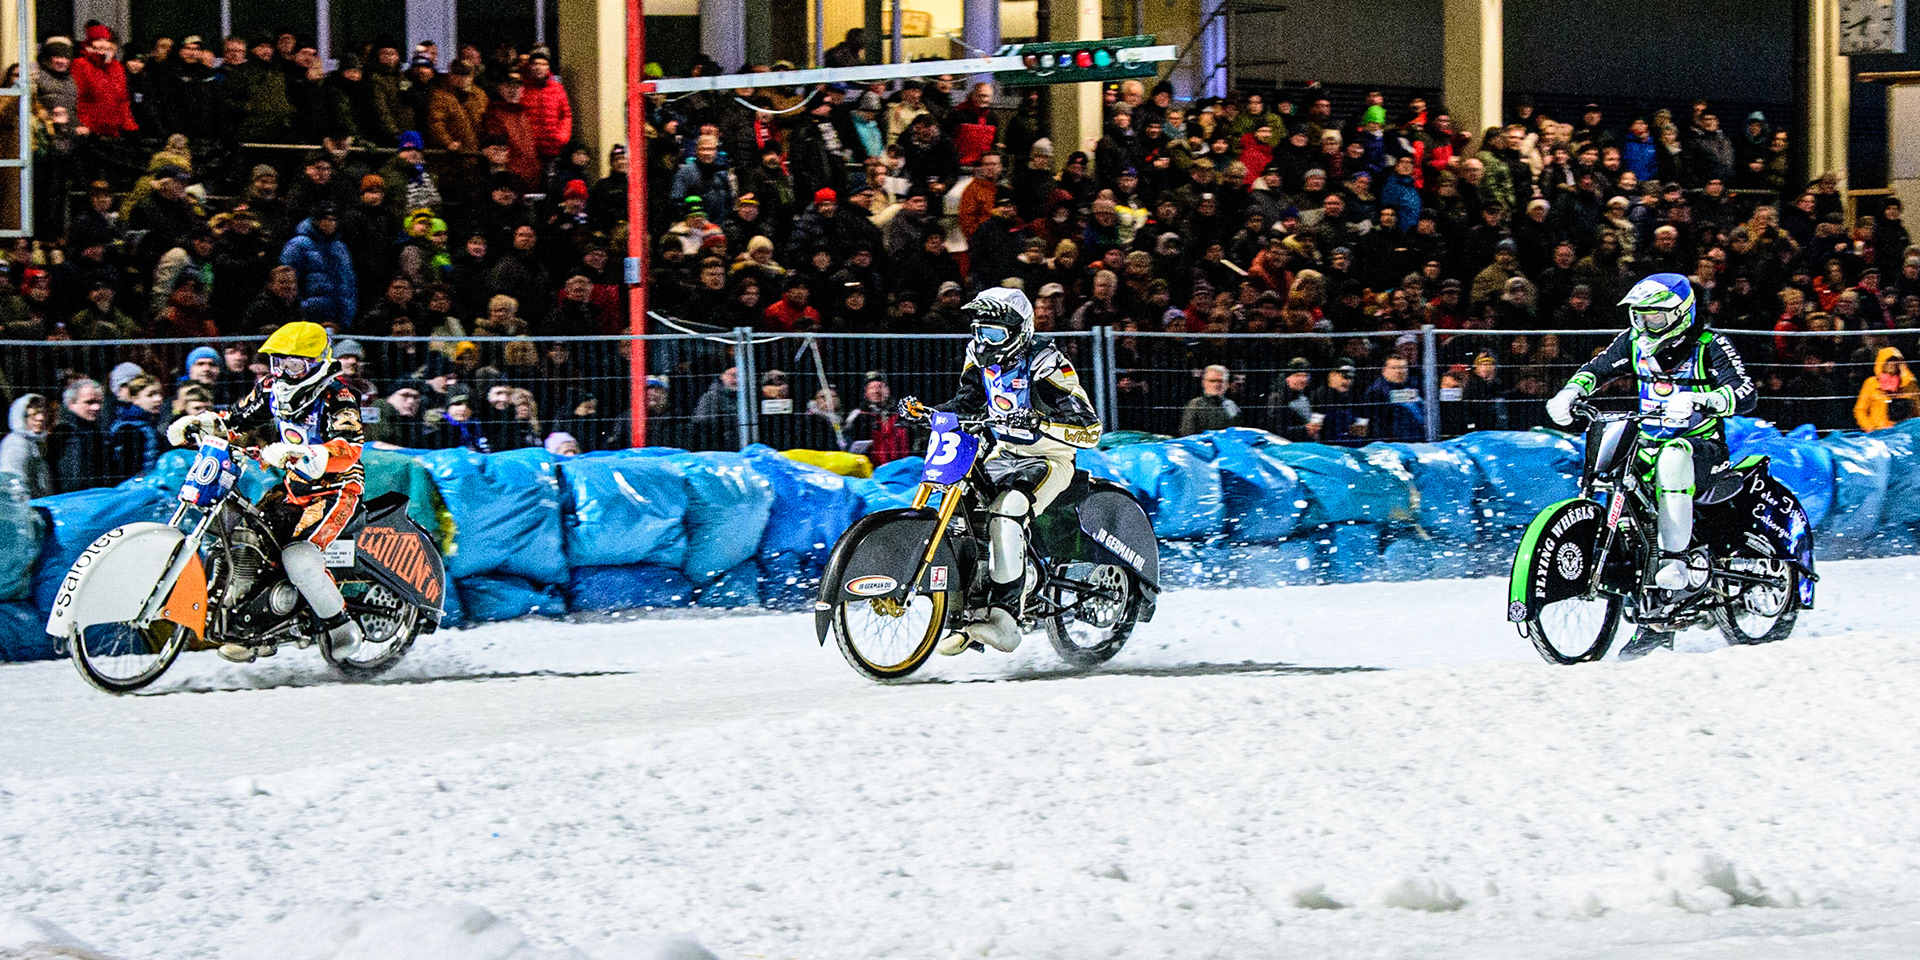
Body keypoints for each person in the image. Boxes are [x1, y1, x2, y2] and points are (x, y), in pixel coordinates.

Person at [1545, 273, 1756, 658]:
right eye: (1639, 316)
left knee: (1674, 456)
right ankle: (1653, 615)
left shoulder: (1710, 344)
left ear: (1680, 314)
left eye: (1654, 317)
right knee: (1616, 472)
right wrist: (1571, 391)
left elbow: (1745, 391)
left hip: (1702, 447)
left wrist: (1704, 400)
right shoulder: (1633, 342)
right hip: (1647, 443)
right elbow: (1600, 367)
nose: (1645, 324)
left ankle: (1675, 561)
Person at [166, 322, 367, 662]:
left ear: (316, 362)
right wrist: (199, 422)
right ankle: (256, 629)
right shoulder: (271, 389)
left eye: (293, 364)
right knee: (249, 538)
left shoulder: (339, 396)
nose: (283, 373)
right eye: (278, 363)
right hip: (294, 485)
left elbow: (349, 447)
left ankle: (340, 626)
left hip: (336, 489)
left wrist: (304, 453)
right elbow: (236, 419)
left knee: (298, 557)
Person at [925, 287, 1100, 655]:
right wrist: (930, 412)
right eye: (979, 331)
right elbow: (968, 402)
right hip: (1004, 452)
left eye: (993, 333)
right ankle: (966, 610)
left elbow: (1089, 427)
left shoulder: (1047, 363)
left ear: (1019, 331)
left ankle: (1005, 620)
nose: (983, 342)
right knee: (958, 508)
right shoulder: (978, 356)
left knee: (1009, 509)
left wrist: (1040, 421)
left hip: (1049, 457)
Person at [49, 378, 110, 492]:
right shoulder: (66, 433)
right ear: (71, 403)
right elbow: (73, 480)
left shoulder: (92, 429)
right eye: (89, 402)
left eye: (99, 402)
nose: (96, 407)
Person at [1, 393, 54, 498]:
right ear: (21, 416)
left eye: (44, 413)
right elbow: (12, 483)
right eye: (33, 414)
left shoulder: (35, 442)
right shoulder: (17, 444)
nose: (40, 418)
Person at [1854, 346, 1920, 431]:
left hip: (1903, 432)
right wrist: (1870, 429)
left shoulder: (1909, 384)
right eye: (1888, 361)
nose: (1892, 364)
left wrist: (1905, 377)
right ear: (1881, 362)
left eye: (1896, 361)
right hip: (1877, 433)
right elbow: (1860, 410)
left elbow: (1917, 409)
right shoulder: (1871, 383)